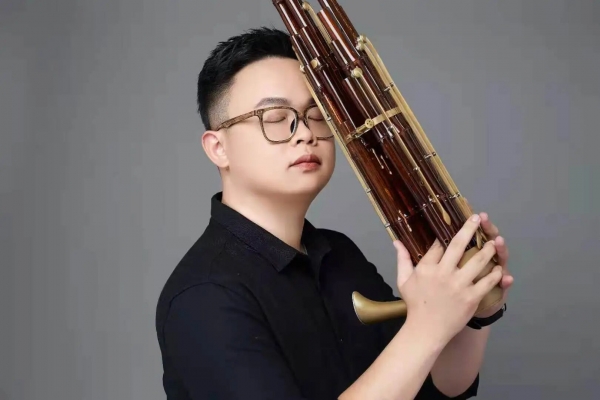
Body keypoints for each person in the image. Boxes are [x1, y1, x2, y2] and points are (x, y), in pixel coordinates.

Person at [155, 27, 514, 400]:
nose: (305, 133)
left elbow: (436, 388)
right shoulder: (203, 296)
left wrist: (476, 302)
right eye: (275, 117)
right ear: (218, 148)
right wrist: (426, 327)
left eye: (317, 114)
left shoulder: (339, 254)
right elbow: (420, 344)